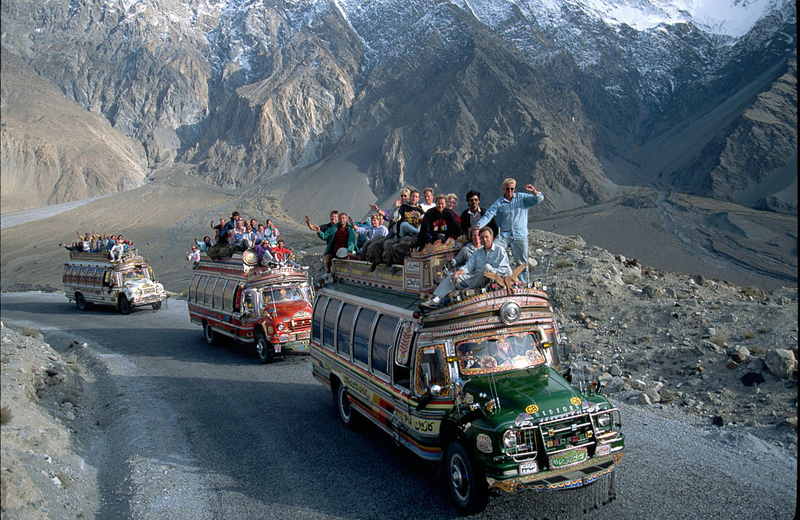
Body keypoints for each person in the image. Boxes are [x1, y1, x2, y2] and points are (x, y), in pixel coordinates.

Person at [420, 226, 511, 309]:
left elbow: (505, 269)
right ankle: (436, 300)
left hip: (493, 278)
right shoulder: (477, 253)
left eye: (486, 237)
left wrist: (490, 270)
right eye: (482, 237)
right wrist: (457, 273)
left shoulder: (500, 251)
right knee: (452, 277)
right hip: (476, 278)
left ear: (492, 237)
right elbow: (468, 267)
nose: (484, 239)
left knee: (486, 268)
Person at [477, 178, 543, 283]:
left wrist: (534, 191)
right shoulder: (499, 203)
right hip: (504, 235)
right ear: (503, 189)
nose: (510, 191)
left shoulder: (522, 198)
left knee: (522, 261)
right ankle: (497, 279)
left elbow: (539, 199)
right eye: (507, 189)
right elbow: (489, 214)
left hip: (520, 234)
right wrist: (478, 227)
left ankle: (523, 283)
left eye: (512, 189)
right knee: (494, 251)